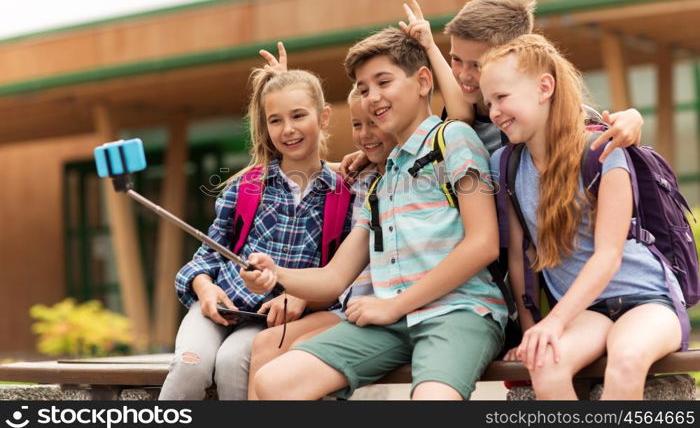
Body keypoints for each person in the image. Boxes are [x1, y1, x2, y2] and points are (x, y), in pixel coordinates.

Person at [241, 28, 506, 400]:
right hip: (391, 322)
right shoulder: (383, 181)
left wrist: (394, 304)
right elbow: (334, 278)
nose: (372, 98)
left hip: (458, 311)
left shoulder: (455, 140)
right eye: (363, 90)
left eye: (383, 82)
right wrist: (275, 275)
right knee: (274, 382)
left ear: (423, 81)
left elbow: (483, 244)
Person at [484, 34, 685, 400]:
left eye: (502, 97)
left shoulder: (602, 150)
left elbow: (608, 256)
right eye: (488, 102)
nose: (494, 111)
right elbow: (520, 256)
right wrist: (533, 331)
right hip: (586, 310)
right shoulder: (506, 165)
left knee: (625, 361)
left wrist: (556, 322)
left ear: (545, 87)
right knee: (545, 366)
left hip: (647, 300)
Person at [158, 65, 350, 400]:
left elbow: (342, 276)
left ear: (324, 117)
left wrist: (302, 294)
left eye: (299, 116)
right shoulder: (246, 187)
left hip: (267, 323)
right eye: (275, 120)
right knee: (190, 365)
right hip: (219, 306)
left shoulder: (344, 195)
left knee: (235, 363)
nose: (287, 129)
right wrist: (205, 290)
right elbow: (207, 256)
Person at [341, 0, 643, 178]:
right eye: (455, 59)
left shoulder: (562, 113)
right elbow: (459, 117)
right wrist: (376, 151)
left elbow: (606, 143)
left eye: (478, 65)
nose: (463, 74)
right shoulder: (461, 116)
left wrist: (632, 120)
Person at [245, 84, 395, 399]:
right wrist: (280, 81)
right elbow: (304, 165)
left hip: (374, 306)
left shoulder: (406, 176)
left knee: (295, 352)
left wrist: (303, 295)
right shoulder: (361, 177)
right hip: (347, 302)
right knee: (264, 344)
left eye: (375, 122)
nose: (366, 133)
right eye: (357, 125)